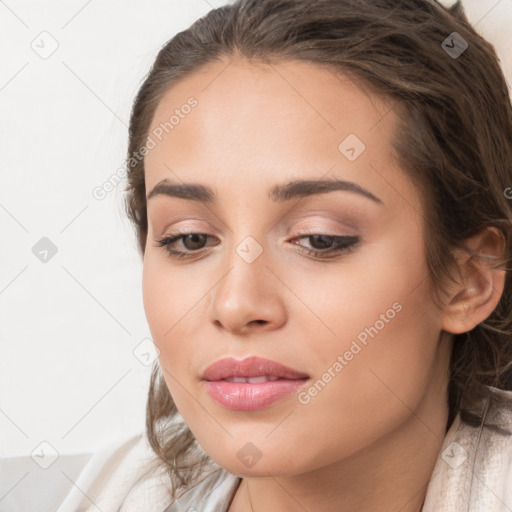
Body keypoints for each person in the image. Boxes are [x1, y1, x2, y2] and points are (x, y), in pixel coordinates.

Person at [57, 0, 512, 510]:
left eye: (320, 239)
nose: (235, 304)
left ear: (468, 278)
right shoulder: (107, 492)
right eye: (190, 239)